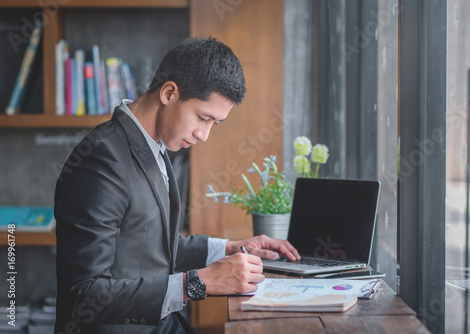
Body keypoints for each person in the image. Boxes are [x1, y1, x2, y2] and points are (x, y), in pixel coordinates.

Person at [54, 37, 300, 334]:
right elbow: (81, 296)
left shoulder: (153, 146)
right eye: (202, 117)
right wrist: (197, 283)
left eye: (214, 124)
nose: (204, 135)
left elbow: (146, 243)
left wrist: (230, 248)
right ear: (169, 93)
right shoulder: (102, 159)